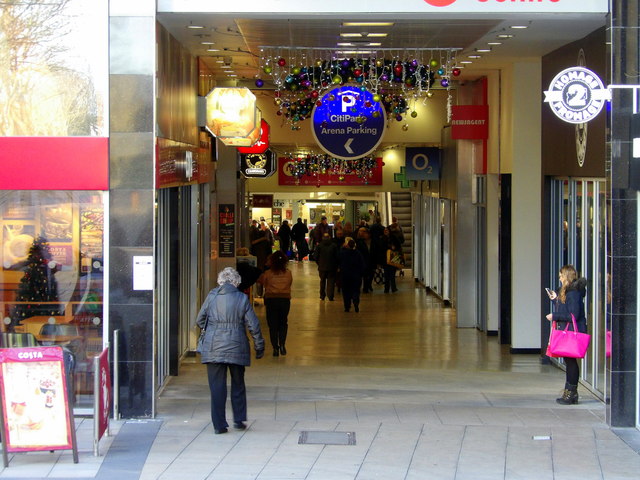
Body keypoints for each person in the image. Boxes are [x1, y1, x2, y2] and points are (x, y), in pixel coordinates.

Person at [196, 267, 265, 434]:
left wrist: (213, 327)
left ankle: (219, 425)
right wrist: (259, 345)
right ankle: (239, 419)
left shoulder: (212, 297)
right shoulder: (242, 298)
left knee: (217, 387)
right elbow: (253, 325)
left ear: (220, 281)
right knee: (238, 384)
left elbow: (200, 320)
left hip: (213, 347)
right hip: (237, 346)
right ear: (236, 282)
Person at [546, 264, 587, 405]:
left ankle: (571, 393)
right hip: (569, 331)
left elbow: (573, 314)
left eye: (561, 276)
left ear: (566, 276)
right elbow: (567, 308)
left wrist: (555, 315)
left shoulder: (573, 293)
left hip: (573, 332)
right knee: (569, 362)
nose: (559, 278)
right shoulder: (569, 292)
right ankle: (570, 392)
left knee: (570, 362)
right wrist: (555, 299)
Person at [257, 251, 293, 357]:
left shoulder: (268, 273)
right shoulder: (288, 273)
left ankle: (275, 348)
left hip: (271, 299)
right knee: (283, 323)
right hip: (285, 299)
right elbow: (290, 283)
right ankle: (282, 344)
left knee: (272, 325)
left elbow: (263, 283)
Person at [339, 237, 365, 312]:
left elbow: (338, 259)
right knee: (356, 290)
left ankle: (347, 306)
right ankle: (356, 302)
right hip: (356, 275)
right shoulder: (358, 253)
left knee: (346, 291)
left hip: (345, 275)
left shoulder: (343, 253)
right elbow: (362, 264)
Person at [315, 232, 339, 301]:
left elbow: (315, 256)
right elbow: (337, 257)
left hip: (322, 267)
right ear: (329, 237)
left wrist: (319, 263)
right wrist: (336, 265)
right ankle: (330, 296)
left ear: (322, 238)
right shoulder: (333, 246)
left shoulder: (319, 246)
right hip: (332, 267)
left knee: (322, 281)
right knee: (331, 282)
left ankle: (322, 296)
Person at [356, 227, 375, 293]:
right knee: (365, 275)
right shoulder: (360, 241)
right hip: (364, 260)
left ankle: (368, 285)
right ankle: (365, 288)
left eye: (365, 233)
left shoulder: (373, 241)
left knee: (371, 274)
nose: (364, 234)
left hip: (372, 260)